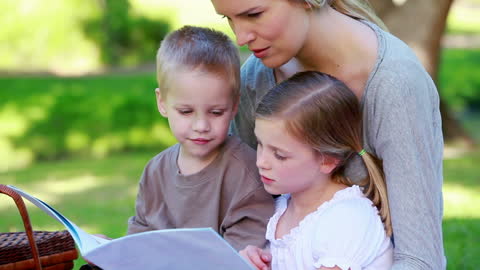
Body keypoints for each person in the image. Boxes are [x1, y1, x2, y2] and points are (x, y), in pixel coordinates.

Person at [210, 0, 446, 269]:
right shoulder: (255, 78)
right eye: (227, 19)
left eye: (254, 14)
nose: (240, 38)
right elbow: (234, 211)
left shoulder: (395, 85)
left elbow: (420, 259)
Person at [125, 25, 274, 251]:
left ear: (234, 105)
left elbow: (239, 258)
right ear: (162, 103)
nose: (201, 126)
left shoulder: (246, 174)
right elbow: (140, 239)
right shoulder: (155, 172)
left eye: (216, 112)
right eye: (186, 112)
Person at [242, 71, 393, 270]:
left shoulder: (347, 218)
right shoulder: (283, 207)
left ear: (328, 161)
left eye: (279, 155)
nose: (261, 162)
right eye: (260, 144)